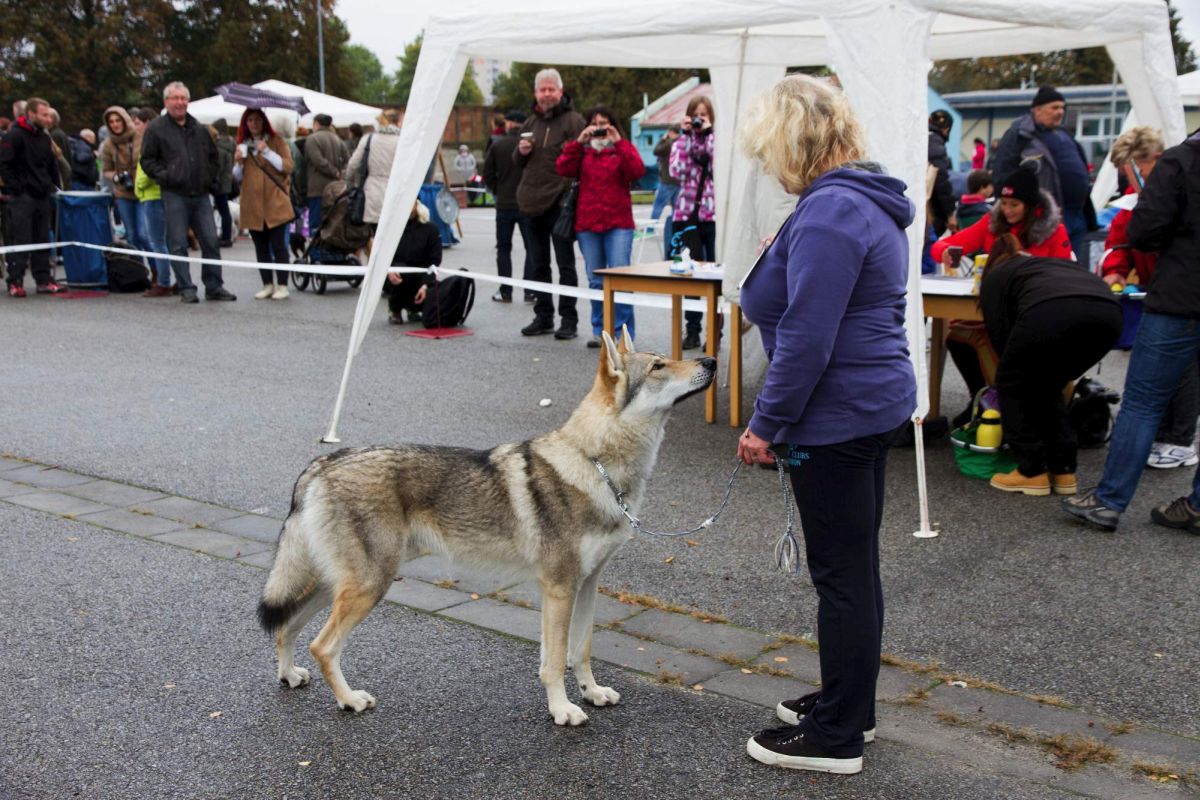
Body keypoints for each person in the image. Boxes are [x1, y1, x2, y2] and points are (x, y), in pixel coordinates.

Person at [736, 74, 915, 776]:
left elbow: (808, 337)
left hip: (837, 415)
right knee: (855, 569)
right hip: (868, 405)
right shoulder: (858, 199)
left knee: (842, 575)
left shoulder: (832, 210)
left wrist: (766, 423)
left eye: (767, 151)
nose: (768, 167)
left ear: (792, 140)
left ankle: (838, 734)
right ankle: (851, 704)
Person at [1065, 128, 1200, 532]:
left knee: (1142, 401)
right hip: (1182, 295)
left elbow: (1143, 231)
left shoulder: (1181, 159)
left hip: (1180, 296)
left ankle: (1108, 500)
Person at [979, 235, 1122, 495]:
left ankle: (1030, 471)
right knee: (1049, 384)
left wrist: (1010, 374)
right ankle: (1063, 469)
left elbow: (1000, 337)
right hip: (1109, 315)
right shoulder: (1043, 265)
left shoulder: (995, 278)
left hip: (1052, 310)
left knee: (1011, 383)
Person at [932, 167, 1073, 417]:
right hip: (994, 309)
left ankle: (1008, 402)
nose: (1007, 210)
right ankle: (981, 396)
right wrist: (944, 250)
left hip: (1033, 311)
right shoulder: (991, 222)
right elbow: (948, 244)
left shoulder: (1054, 231)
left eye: (1014, 204)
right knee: (957, 338)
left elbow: (1065, 275)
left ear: (1030, 205)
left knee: (1007, 344)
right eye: (1003, 203)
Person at [1099, 126, 1196, 470]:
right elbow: (1120, 242)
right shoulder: (1135, 201)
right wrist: (1114, 270)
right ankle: (1164, 436)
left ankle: (1179, 440)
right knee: (1162, 370)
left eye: (1138, 169)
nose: (1135, 179)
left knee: (1184, 369)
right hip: (1161, 293)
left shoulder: (1176, 178)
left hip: (1178, 293)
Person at [139, 81, 236, 303]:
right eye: (175, 98)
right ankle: (185, 286)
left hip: (201, 194)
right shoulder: (156, 129)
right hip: (174, 193)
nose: (180, 103)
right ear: (166, 102)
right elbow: (147, 160)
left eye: (183, 98)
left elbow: (213, 158)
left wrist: (208, 178)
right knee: (177, 243)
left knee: (211, 240)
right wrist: (165, 176)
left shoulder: (199, 129)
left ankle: (214, 285)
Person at [556, 105, 644, 348]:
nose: (599, 129)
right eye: (594, 124)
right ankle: (600, 330)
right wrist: (578, 141)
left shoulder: (620, 149)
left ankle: (624, 334)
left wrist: (620, 142)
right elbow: (562, 167)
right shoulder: (582, 152)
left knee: (621, 278)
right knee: (595, 281)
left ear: (612, 126)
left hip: (619, 224)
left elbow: (637, 171)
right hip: (588, 224)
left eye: (604, 123)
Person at [514, 67, 585, 339]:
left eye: (550, 89)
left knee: (565, 265)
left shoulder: (574, 121)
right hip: (531, 204)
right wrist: (520, 153)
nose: (546, 94)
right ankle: (543, 316)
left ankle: (569, 320)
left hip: (560, 204)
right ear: (535, 93)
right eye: (542, 89)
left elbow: (582, 161)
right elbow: (518, 163)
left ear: (560, 91)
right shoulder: (530, 123)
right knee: (538, 264)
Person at [992, 86, 1095, 265]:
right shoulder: (1019, 135)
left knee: (1076, 271)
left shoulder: (1064, 134)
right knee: (1054, 269)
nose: (1060, 112)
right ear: (1037, 109)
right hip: (1044, 217)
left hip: (1077, 214)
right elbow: (1002, 173)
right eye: (1054, 108)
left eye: (1062, 107)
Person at [0, 97, 64, 296]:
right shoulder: (14, 136)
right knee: (21, 239)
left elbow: (51, 164)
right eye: (43, 114)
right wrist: (16, 188)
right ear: (31, 114)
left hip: (42, 194)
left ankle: (43, 279)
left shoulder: (45, 137)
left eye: (48, 114)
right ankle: (15, 280)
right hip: (22, 196)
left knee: (42, 238)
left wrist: (54, 185)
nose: (47, 118)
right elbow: (4, 164)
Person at [670, 94, 716, 349]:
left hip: (713, 215)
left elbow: (719, 162)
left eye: (704, 115)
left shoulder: (715, 140)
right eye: (695, 115)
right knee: (691, 276)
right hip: (687, 214)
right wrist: (687, 137)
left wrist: (709, 134)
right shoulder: (681, 142)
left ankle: (715, 332)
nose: (699, 120)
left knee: (717, 276)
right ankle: (692, 328)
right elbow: (677, 171)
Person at [233, 108, 294, 300]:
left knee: (278, 245)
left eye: (257, 119)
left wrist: (266, 151)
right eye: (249, 120)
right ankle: (267, 284)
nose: (253, 123)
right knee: (260, 246)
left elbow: (287, 167)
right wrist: (238, 163)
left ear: (264, 121)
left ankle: (283, 285)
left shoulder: (277, 142)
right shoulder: (243, 145)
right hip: (252, 202)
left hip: (275, 202)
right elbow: (236, 177)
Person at [482, 109, 533, 303]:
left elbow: (487, 173)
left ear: (508, 124)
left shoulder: (498, 144)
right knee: (531, 248)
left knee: (503, 248)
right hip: (526, 203)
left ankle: (505, 291)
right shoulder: (531, 146)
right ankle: (530, 290)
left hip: (504, 203)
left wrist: (497, 189)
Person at [99, 106, 146, 260]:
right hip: (123, 193)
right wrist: (116, 176)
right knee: (131, 236)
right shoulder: (108, 144)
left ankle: (157, 273)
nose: (115, 124)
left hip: (143, 191)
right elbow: (105, 169)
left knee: (143, 234)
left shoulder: (141, 136)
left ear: (125, 120)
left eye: (118, 120)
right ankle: (140, 271)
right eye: (111, 122)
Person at [385, 201, 441, 325]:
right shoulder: (390, 228)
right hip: (396, 272)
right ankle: (395, 309)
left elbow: (434, 261)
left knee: (435, 290)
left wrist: (426, 285)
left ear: (416, 205)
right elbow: (384, 256)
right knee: (400, 270)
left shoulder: (431, 229)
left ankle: (414, 308)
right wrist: (389, 270)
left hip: (422, 274)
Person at [345, 109, 402, 230]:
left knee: (375, 233)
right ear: (398, 123)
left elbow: (353, 165)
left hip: (372, 192)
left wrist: (349, 186)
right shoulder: (402, 142)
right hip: (396, 192)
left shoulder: (369, 139)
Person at [135, 152, 174, 297]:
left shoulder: (154, 147)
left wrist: (139, 184)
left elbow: (149, 172)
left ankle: (163, 282)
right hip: (155, 196)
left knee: (158, 242)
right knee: (167, 241)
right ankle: (179, 282)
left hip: (153, 196)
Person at [303, 113, 345, 239]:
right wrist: (340, 175)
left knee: (316, 224)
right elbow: (348, 160)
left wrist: (334, 171)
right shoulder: (338, 139)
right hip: (336, 191)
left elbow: (318, 161)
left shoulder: (312, 139)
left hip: (317, 189)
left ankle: (316, 254)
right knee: (332, 224)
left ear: (316, 123)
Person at [651, 124, 681, 259]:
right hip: (677, 180)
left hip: (667, 180)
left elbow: (656, 151)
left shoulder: (668, 143)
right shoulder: (681, 142)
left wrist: (663, 139)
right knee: (675, 207)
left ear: (670, 132)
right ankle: (675, 226)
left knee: (658, 205)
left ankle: (651, 227)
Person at [927, 109, 957, 236]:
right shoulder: (936, 145)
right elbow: (942, 182)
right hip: (930, 210)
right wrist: (950, 214)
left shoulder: (918, 137)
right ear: (946, 130)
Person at [211, 119, 236, 247]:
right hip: (227, 182)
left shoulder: (219, 147)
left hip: (219, 183)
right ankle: (227, 235)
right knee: (224, 210)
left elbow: (217, 168)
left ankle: (226, 237)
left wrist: (213, 181)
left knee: (223, 210)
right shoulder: (231, 144)